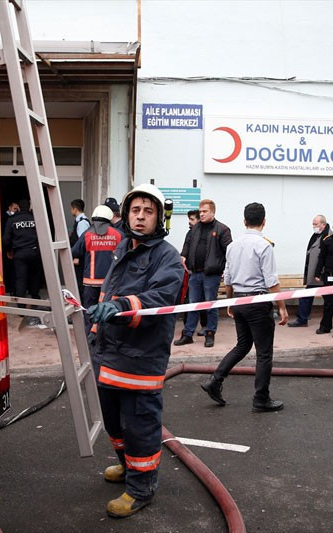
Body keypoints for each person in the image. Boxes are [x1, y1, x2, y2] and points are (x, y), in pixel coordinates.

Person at [85, 183, 184, 518]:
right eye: (136, 210)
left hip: (140, 360)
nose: (141, 217)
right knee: (114, 423)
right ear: (126, 215)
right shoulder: (123, 248)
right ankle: (128, 468)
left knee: (139, 426)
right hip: (109, 356)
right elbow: (106, 295)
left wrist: (121, 306)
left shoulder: (166, 256)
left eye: (148, 211)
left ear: (159, 218)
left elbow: (160, 299)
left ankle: (141, 489)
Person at [200, 202, 289, 412]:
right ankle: (261, 398)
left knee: (242, 346)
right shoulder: (264, 246)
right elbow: (271, 281)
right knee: (264, 353)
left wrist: (231, 302)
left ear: (244, 221)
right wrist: (282, 307)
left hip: (239, 300)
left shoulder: (233, 246)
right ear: (264, 222)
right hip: (258, 303)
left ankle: (215, 380)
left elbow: (228, 279)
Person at [174, 199, 232, 348]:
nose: (201, 214)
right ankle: (188, 334)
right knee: (193, 305)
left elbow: (230, 253)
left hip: (211, 275)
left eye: (204, 211)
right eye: (200, 211)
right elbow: (187, 245)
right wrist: (183, 255)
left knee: (210, 305)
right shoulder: (194, 229)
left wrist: (226, 270)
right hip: (195, 273)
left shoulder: (222, 230)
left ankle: (210, 333)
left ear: (213, 212)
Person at [72, 204, 122, 333]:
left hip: (90, 283)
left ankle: (89, 338)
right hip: (111, 283)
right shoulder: (118, 235)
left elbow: (74, 252)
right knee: (110, 312)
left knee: (89, 312)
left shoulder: (87, 234)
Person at [2, 199, 43, 324]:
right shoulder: (36, 219)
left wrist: (8, 250)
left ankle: (21, 308)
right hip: (35, 252)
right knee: (35, 277)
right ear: (29, 207)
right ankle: (35, 302)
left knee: (21, 279)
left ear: (18, 208)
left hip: (20, 253)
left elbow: (6, 239)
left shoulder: (12, 220)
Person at [288, 214, 332, 327]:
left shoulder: (328, 236)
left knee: (310, 296)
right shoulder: (317, 235)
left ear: (323, 224)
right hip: (315, 274)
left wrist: (320, 272)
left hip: (320, 274)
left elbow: (328, 256)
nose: (313, 226)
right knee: (329, 298)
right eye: (313, 224)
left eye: (316, 224)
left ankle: (302, 319)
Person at [70, 199, 91, 296]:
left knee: (79, 282)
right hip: (78, 258)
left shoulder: (82, 222)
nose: (71, 211)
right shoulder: (79, 221)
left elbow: (82, 241)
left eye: (71, 208)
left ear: (75, 209)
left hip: (80, 259)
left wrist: (77, 256)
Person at [1, 201, 20, 296]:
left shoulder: (17, 218)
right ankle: (10, 288)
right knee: (9, 269)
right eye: (15, 209)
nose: (16, 211)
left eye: (18, 209)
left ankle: (13, 288)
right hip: (6, 248)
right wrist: (8, 249)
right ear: (9, 208)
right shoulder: (4, 218)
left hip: (14, 248)